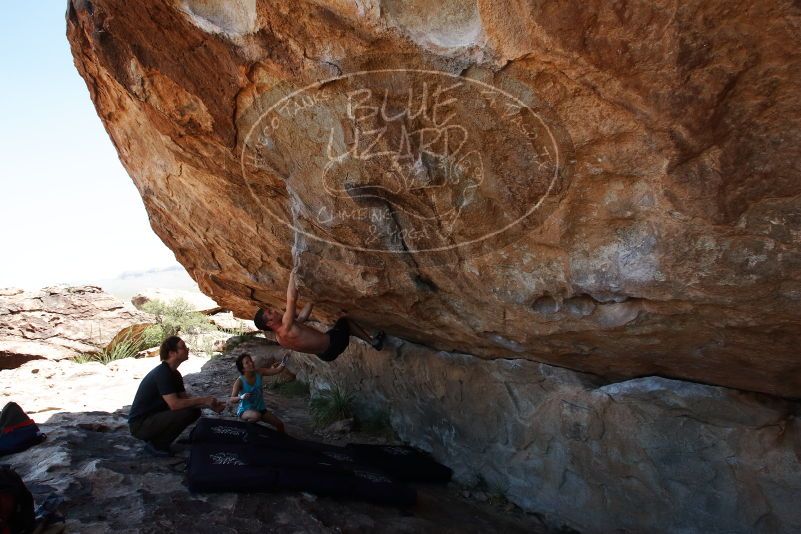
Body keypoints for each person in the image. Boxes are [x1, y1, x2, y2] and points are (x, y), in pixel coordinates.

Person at [253, 271, 385, 362]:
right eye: (270, 313)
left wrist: (312, 301)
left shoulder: (280, 337)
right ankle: (374, 342)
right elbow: (292, 298)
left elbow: (301, 320)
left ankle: (363, 338)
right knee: (345, 321)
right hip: (332, 344)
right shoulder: (286, 325)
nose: (274, 311)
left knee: (339, 327)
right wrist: (293, 273)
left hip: (325, 355)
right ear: (269, 323)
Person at [128, 336, 224, 456]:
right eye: (183, 347)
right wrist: (204, 399)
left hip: (154, 417)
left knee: (194, 411)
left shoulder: (175, 374)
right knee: (187, 412)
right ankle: (157, 445)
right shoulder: (162, 373)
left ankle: (159, 441)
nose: (187, 349)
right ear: (172, 353)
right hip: (140, 425)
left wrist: (209, 405)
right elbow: (174, 404)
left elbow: (185, 400)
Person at [228, 352, 286, 432]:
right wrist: (241, 397)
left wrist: (285, 359)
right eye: (247, 362)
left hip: (260, 409)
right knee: (256, 416)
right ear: (243, 368)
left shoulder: (259, 372)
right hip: (245, 411)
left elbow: (277, 370)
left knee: (280, 424)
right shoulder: (239, 381)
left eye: (250, 361)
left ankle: (281, 442)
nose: (251, 363)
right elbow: (231, 399)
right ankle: (245, 431)